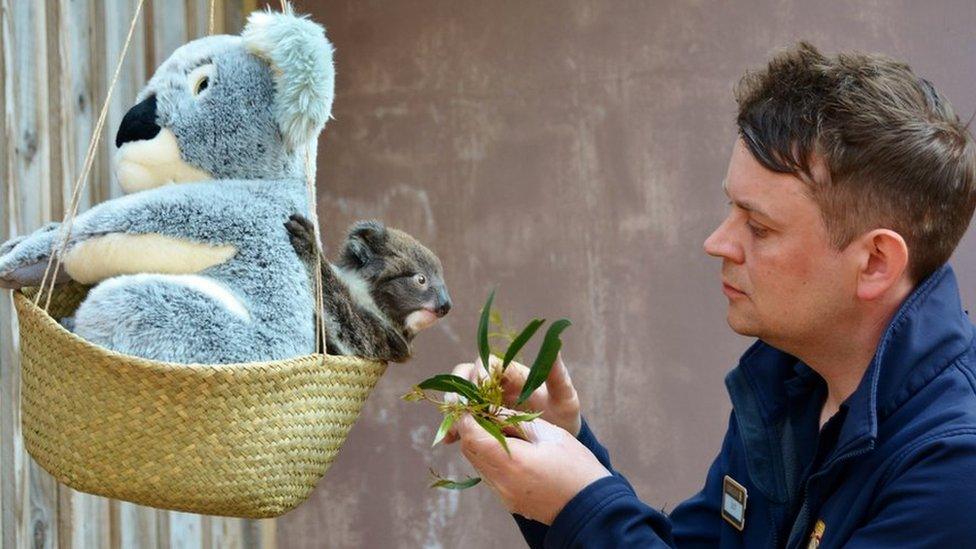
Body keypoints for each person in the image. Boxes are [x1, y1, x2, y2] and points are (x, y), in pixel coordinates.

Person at [442, 42, 976, 547]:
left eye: (759, 227)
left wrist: (579, 505)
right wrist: (558, 448)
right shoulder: (790, 387)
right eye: (731, 209)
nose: (717, 243)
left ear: (876, 262)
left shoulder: (954, 469)